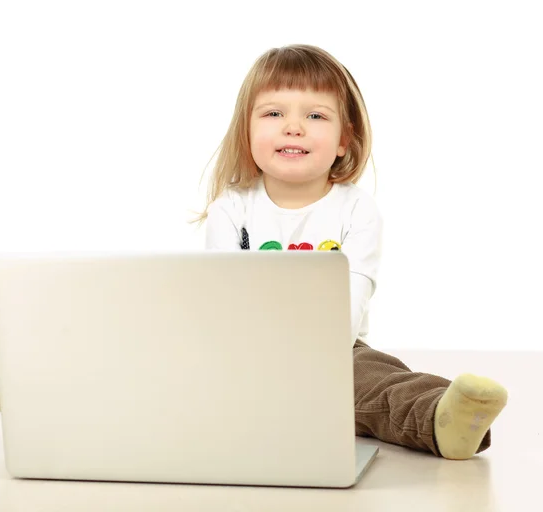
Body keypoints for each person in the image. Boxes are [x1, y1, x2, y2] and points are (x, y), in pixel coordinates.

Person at [196, 43, 508, 460]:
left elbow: (354, 295)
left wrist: (312, 363)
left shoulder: (357, 209)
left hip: (336, 348)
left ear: (344, 140)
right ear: (246, 132)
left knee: (377, 380)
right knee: (186, 370)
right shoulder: (230, 210)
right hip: (246, 348)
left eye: (315, 116)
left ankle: (442, 415)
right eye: (274, 113)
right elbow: (219, 299)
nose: (294, 127)